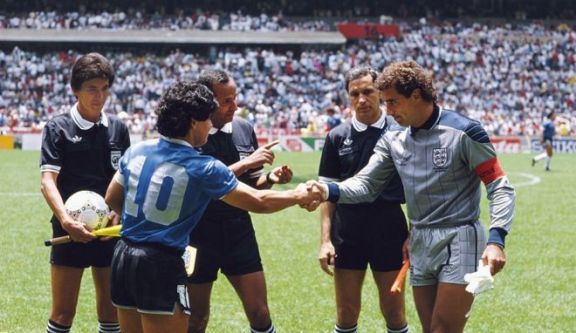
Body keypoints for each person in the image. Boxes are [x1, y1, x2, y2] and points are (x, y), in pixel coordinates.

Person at [310, 60, 516, 333]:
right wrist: (327, 190)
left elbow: (499, 185)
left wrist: (497, 239)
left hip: (460, 236)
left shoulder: (465, 131)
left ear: (416, 95)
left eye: (393, 102)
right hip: (420, 240)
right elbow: (367, 184)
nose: (389, 111)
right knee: (430, 328)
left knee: (443, 328)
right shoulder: (393, 137)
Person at [104, 81, 321, 333]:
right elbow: (258, 202)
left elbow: (112, 197)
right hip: (161, 263)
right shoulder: (203, 167)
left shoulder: (138, 150)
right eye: (208, 118)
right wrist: (297, 194)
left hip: (123, 257)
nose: (211, 125)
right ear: (194, 122)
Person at [187, 69, 292, 333]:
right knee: (196, 318)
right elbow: (202, 184)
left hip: (237, 230)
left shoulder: (244, 128)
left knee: (260, 312)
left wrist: (271, 178)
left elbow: (249, 185)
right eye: (227, 101)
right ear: (207, 101)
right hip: (196, 234)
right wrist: (246, 161)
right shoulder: (191, 134)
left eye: (235, 98)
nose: (235, 106)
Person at [40, 52, 130, 333]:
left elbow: (127, 178)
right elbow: (47, 181)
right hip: (68, 230)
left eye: (104, 89)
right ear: (75, 89)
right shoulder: (57, 128)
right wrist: (66, 220)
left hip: (109, 232)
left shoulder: (118, 128)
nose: (99, 96)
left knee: (111, 311)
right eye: (92, 89)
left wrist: (118, 212)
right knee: (63, 314)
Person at [317, 67, 410, 333]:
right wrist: (325, 240)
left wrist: (413, 233)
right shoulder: (337, 137)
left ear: (380, 92)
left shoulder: (401, 132)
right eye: (354, 93)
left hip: (390, 227)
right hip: (347, 229)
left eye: (368, 91)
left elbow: (419, 190)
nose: (361, 99)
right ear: (347, 97)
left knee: (394, 312)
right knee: (346, 313)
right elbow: (328, 193)